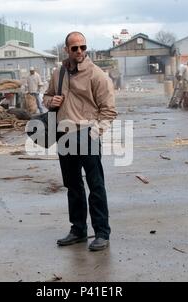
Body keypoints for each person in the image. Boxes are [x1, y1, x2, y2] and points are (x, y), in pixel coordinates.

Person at [43, 32, 118, 252]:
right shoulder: (58, 73)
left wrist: (94, 134)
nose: (79, 52)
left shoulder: (97, 75)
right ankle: (78, 229)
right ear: (67, 49)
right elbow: (45, 97)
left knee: (95, 185)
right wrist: (50, 101)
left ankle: (102, 232)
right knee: (73, 186)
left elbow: (109, 110)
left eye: (83, 47)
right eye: (74, 48)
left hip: (87, 134)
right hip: (64, 135)